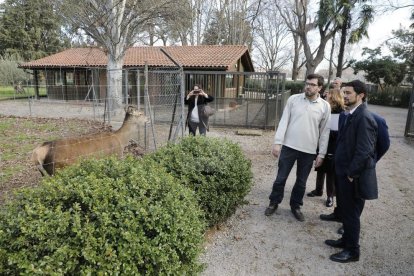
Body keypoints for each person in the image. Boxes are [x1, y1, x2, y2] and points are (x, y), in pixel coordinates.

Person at [264, 74, 331, 221]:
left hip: (308, 151)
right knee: (280, 178)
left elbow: (325, 132)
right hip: (289, 146)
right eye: (307, 83)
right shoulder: (293, 99)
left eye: (313, 84)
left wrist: (321, 154)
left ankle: (296, 206)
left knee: (301, 182)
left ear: (319, 87)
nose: (308, 86)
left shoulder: (325, 106)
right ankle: (274, 202)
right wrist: (277, 142)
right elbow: (284, 121)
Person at [324, 80, 378, 263]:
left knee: (351, 213)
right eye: (344, 92)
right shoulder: (350, 114)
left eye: (348, 93)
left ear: (361, 95)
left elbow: (364, 150)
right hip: (342, 172)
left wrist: (351, 173)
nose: (344, 96)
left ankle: (352, 251)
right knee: (346, 211)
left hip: (352, 176)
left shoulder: (364, 117)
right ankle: (346, 240)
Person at [307, 88, 345, 207]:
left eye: (328, 95)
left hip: (333, 146)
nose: (325, 96)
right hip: (323, 142)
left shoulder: (342, 113)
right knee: (320, 167)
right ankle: (318, 190)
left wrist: (329, 133)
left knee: (330, 172)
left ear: (334, 97)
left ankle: (330, 196)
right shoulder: (325, 109)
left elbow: (341, 132)